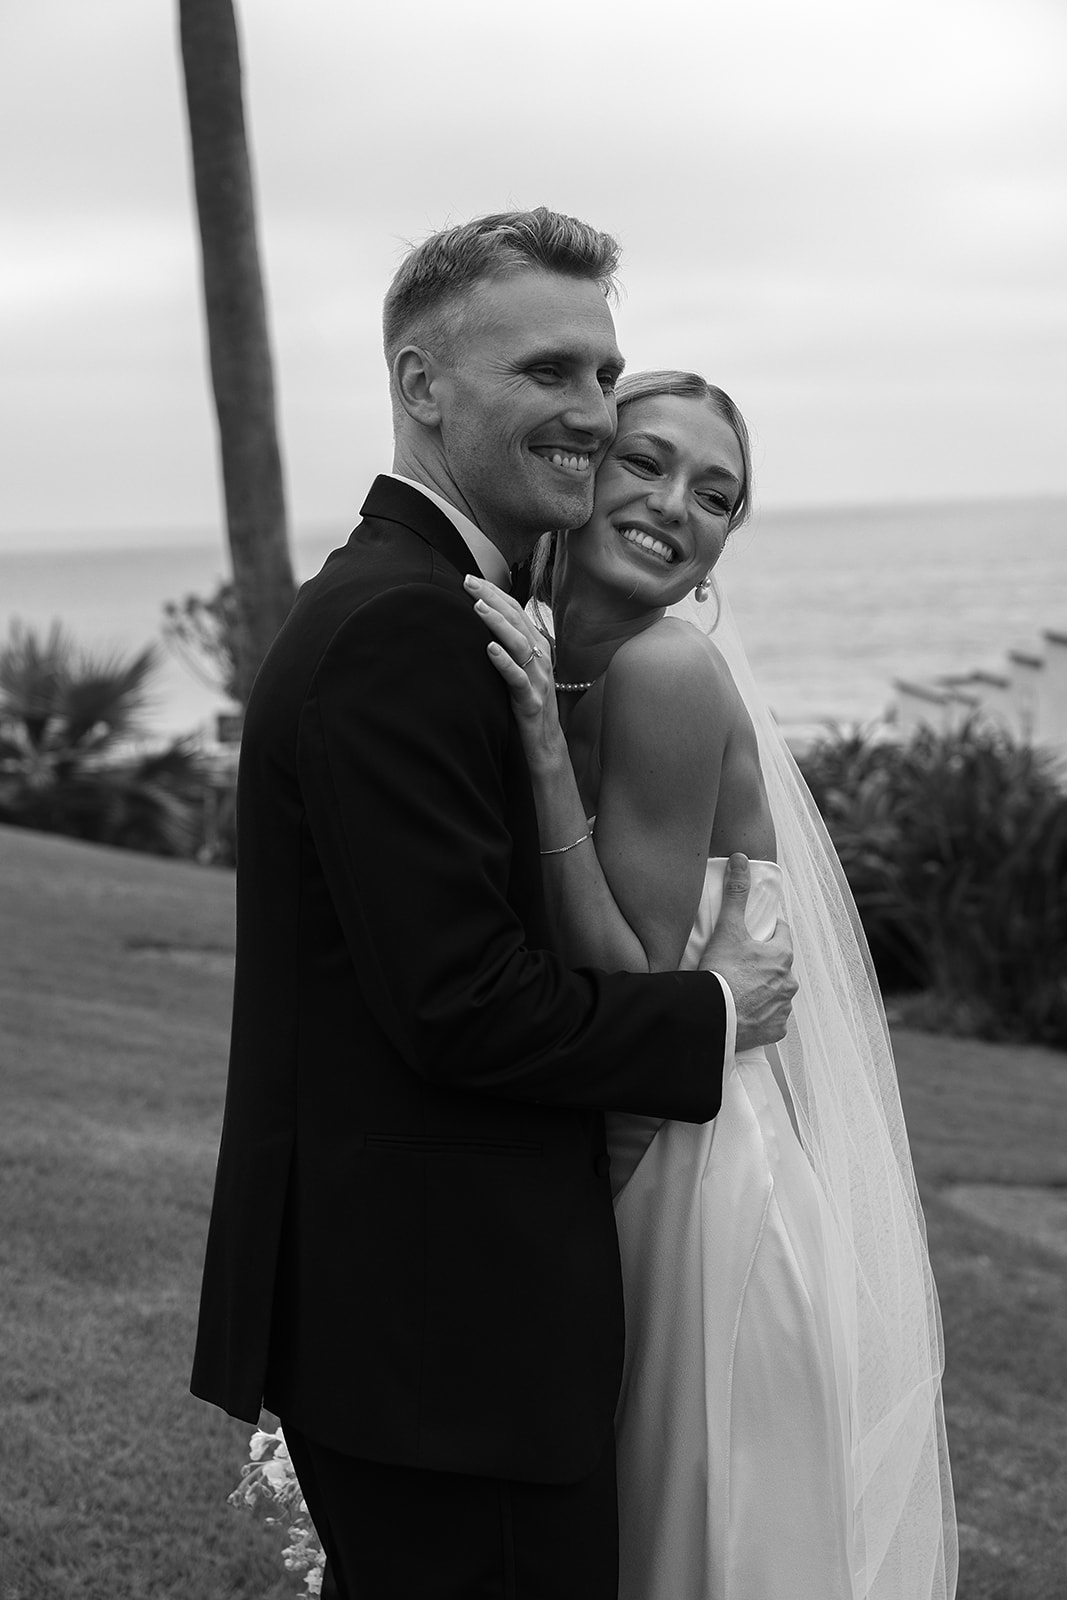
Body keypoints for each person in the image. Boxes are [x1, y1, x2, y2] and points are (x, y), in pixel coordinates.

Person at [190, 211, 797, 1600]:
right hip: (445, 1335)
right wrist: (701, 1015)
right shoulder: (408, 628)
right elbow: (462, 1006)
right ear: (421, 388)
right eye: (546, 374)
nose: (587, 411)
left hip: (428, 1324)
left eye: (601, 373)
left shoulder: (432, 606)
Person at [470, 369, 957, 1600]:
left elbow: (633, 993)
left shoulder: (663, 672)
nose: (671, 502)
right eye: (643, 461)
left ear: (720, 550)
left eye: (714, 493)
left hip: (697, 1181)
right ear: (579, 475)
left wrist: (539, 762)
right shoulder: (537, 647)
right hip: (635, 1147)